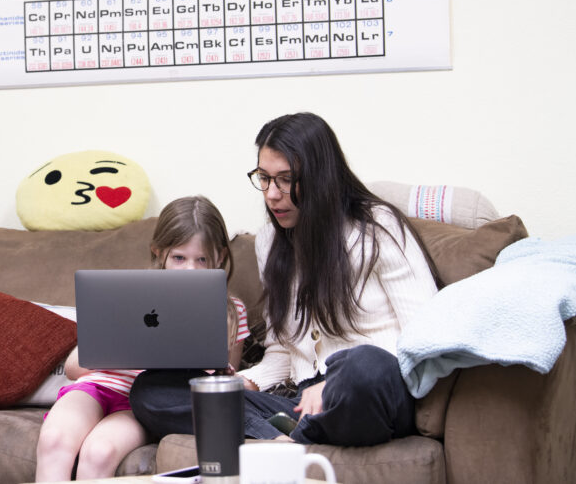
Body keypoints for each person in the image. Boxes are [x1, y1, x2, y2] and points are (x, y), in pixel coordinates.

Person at [130, 113, 438, 447]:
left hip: (372, 390)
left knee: (363, 366)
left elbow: (425, 334)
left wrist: (336, 382)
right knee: (152, 390)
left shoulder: (378, 227)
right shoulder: (270, 243)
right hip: (304, 403)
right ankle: (282, 436)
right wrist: (246, 381)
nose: (272, 194)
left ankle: (289, 435)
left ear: (321, 177)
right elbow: (283, 350)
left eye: (286, 180)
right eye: (264, 178)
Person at [34, 196, 249, 481]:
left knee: (99, 452)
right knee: (54, 441)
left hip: (143, 405)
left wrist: (220, 373)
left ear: (220, 257)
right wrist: (132, 351)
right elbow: (74, 368)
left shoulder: (231, 312)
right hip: (95, 388)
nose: (190, 270)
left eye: (202, 260)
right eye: (179, 258)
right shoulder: (129, 294)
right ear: (159, 253)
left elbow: (223, 385)